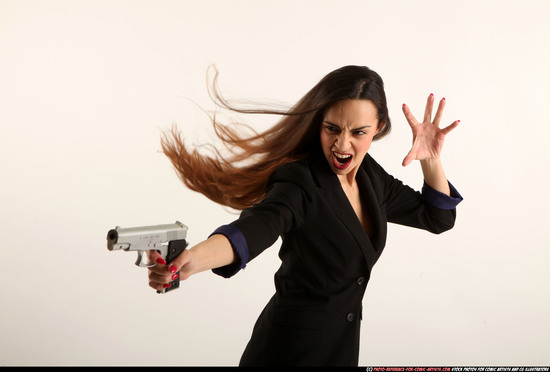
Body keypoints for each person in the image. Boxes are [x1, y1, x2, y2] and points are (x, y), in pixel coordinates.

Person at [147, 65, 463, 366]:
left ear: (378, 128)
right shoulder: (299, 181)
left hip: (340, 350)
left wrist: (431, 159)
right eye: (332, 128)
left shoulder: (371, 178)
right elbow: (256, 228)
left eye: (358, 132)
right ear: (318, 123)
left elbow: (437, 218)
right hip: (289, 352)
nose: (342, 143)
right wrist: (193, 260)